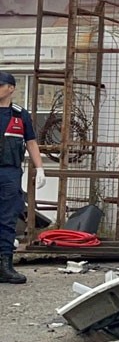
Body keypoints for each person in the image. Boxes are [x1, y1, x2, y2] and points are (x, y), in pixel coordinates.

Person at [0, 71, 45, 285]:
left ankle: (5, 267)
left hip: (9, 172)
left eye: (0, 85)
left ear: (11, 88)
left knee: (7, 219)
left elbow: (31, 142)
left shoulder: (19, 115)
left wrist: (40, 168)